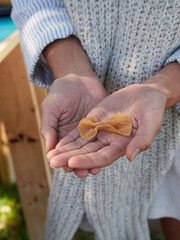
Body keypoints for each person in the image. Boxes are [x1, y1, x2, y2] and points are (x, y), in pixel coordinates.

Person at [11, 0, 180, 239]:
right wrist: (71, 70)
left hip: (174, 107)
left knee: (174, 207)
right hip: (88, 84)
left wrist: (164, 89)